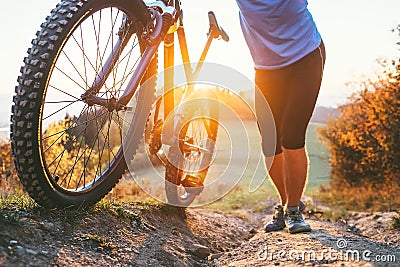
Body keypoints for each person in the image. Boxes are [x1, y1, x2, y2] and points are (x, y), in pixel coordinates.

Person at [236, 0, 326, 233]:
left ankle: (294, 210)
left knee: (292, 135)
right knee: (270, 141)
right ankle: (287, 204)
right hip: (265, 69)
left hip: (304, 57)